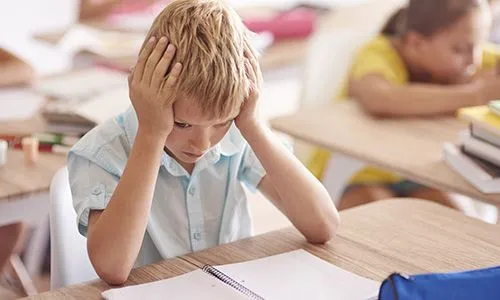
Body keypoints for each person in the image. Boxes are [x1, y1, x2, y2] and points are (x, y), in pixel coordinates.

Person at [68, 0, 340, 285]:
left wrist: (253, 125)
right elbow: (112, 268)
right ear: (144, 87)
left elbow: (323, 225)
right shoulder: (100, 152)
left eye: (220, 122)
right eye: (183, 124)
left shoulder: (239, 131)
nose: (202, 143)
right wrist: (151, 134)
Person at [309, 0, 500, 211]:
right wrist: (474, 95)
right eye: (460, 49)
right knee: (377, 210)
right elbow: (380, 98)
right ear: (416, 43)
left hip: (416, 173)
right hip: (356, 173)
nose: (474, 59)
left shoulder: (469, 56)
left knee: (456, 216)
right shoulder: (379, 51)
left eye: (479, 45)